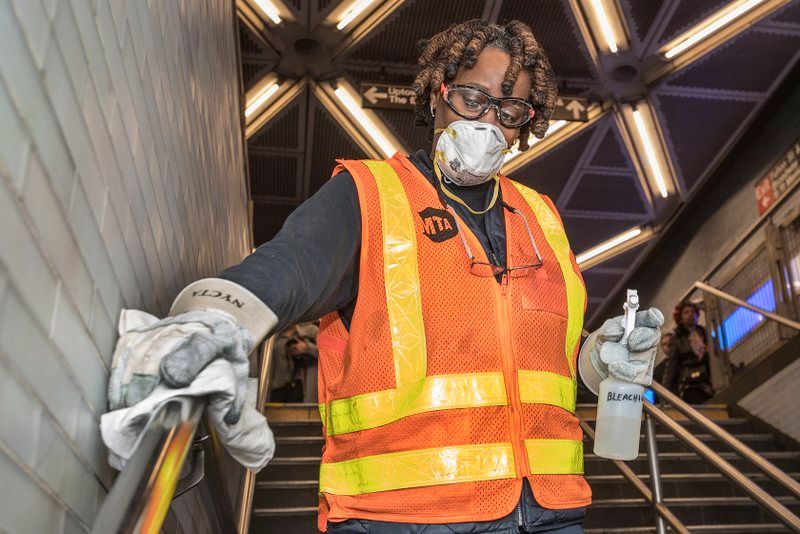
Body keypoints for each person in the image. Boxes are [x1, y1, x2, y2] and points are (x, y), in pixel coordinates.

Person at [110, 19, 663, 533]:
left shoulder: (541, 216)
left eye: (510, 110)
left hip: (551, 513)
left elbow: (538, 355)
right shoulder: (370, 195)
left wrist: (598, 360)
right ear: (436, 93)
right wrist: (212, 318)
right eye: (474, 98)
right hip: (400, 516)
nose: (489, 121)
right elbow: (288, 265)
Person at [663, 302, 713, 403]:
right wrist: (664, 391)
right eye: (686, 312)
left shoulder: (704, 333)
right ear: (680, 319)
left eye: (693, 312)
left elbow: (716, 355)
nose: (691, 314)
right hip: (690, 383)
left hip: (709, 380)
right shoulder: (676, 339)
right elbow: (671, 367)